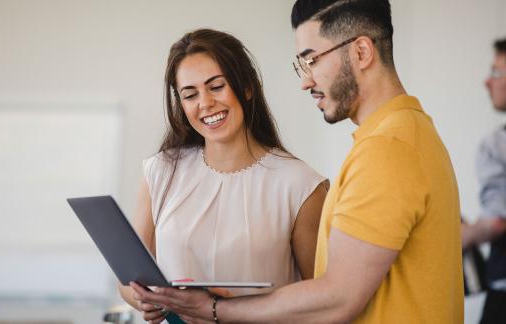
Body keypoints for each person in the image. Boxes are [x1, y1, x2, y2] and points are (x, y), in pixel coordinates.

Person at [131, 0, 464, 323]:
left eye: (312, 60)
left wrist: (214, 310)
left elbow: (336, 299)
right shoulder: (401, 136)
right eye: (189, 94)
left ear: (361, 52)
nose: (306, 81)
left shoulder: (388, 149)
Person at [118, 28, 328, 323]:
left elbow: (321, 299)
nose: (205, 103)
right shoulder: (160, 171)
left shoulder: (301, 185)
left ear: (246, 87)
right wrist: (144, 299)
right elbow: (127, 278)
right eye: (190, 94)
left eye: (216, 87)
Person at [462, 37, 506, 324]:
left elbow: (496, 221)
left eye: (496, 72)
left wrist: (457, 237)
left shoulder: (496, 144)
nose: (486, 82)